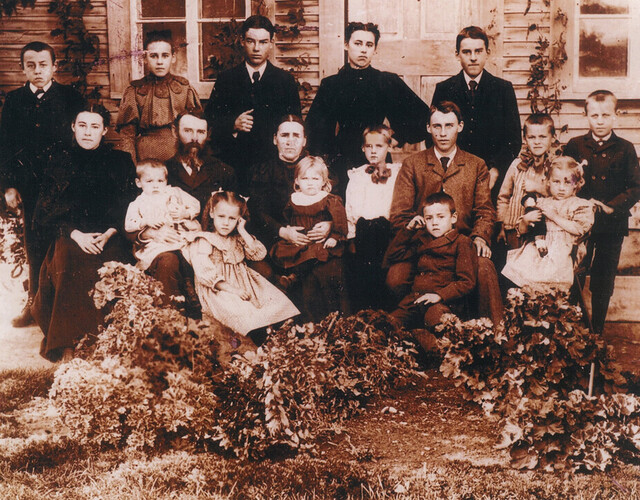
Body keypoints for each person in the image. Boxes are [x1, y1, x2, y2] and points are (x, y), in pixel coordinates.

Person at [31, 104, 137, 361]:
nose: (87, 132)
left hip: (110, 234)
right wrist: (75, 234)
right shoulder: (59, 161)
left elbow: (129, 203)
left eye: (94, 126)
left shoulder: (120, 161)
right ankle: (68, 345)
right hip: (70, 234)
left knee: (111, 264)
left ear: (104, 131)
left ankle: (105, 342)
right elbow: (45, 211)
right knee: (69, 262)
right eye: (82, 125)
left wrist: (111, 232)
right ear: (73, 128)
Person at [388, 101, 502, 325]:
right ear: (428, 128)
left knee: (485, 268)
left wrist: (480, 237)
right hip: (421, 246)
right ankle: (415, 333)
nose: (442, 133)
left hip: (462, 245)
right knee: (396, 279)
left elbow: (485, 209)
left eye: (448, 126)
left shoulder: (475, 165)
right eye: (436, 126)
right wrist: (414, 223)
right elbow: (399, 214)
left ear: (459, 126)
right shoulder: (412, 164)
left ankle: (494, 333)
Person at [0, 41, 85, 327]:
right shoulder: (14, 100)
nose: (38, 71)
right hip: (30, 186)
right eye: (31, 65)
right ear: (22, 68)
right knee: (33, 243)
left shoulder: (71, 98)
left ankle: (60, 306)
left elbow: (79, 142)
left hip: (64, 185)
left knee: (61, 242)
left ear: (54, 66)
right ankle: (34, 305)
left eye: (43, 65)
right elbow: (6, 145)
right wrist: (9, 186)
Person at [305, 22, 429, 193]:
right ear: (346, 45)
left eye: (369, 45)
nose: (363, 50)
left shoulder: (385, 82)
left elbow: (424, 117)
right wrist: (325, 164)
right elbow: (316, 130)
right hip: (343, 159)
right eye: (358, 43)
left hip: (376, 156)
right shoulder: (332, 84)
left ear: (375, 49)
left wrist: (396, 138)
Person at [563, 90, 640, 333]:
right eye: (594, 115)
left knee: (603, 278)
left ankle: (596, 331)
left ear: (615, 116)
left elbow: (636, 186)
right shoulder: (575, 146)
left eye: (605, 115)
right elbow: (563, 180)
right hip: (579, 224)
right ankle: (570, 327)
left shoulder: (626, 149)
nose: (599, 120)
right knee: (573, 273)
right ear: (586, 116)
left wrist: (611, 206)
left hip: (611, 225)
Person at [205, 15, 301, 192]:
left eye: (263, 42)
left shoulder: (284, 81)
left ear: (271, 43)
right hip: (235, 163)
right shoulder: (227, 79)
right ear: (242, 41)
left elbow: (295, 122)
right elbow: (210, 119)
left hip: (272, 166)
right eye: (251, 41)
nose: (257, 48)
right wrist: (232, 124)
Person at [184, 190, 299, 337]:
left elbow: (258, 254)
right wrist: (233, 290)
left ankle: (276, 334)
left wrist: (242, 231)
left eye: (232, 219)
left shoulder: (238, 238)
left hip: (244, 283)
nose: (226, 223)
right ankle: (259, 337)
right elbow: (204, 272)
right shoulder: (204, 240)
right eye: (221, 216)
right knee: (240, 308)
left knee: (274, 301)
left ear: (239, 219)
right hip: (219, 289)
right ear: (212, 213)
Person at [431, 26, 521, 199]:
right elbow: (435, 135)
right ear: (457, 54)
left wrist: (495, 170)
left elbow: (514, 140)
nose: (473, 58)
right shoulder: (444, 89)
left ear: (487, 53)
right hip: (452, 175)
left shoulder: (503, 89)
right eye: (466, 52)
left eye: (478, 51)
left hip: (492, 177)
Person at [502, 157, 595, 290]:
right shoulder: (543, 202)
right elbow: (522, 231)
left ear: (576, 184)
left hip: (565, 249)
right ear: (548, 182)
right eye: (556, 182)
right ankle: (531, 300)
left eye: (567, 182)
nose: (561, 188)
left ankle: (546, 299)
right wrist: (526, 220)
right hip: (539, 247)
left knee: (548, 268)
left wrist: (554, 216)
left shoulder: (579, 205)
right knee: (525, 264)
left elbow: (579, 229)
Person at [386, 192, 476, 330]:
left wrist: (440, 295)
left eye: (440, 217)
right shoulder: (422, 240)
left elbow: (466, 282)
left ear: (453, 218)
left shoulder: (462, 242)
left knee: (435, 321)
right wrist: (408, 230)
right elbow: (394, 255)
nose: (434, 222)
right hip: (416, 300)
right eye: (429, 218)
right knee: (388, 324)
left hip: (443, 303)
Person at [116, 30, 201, 164]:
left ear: (173, 57)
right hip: (145, 154)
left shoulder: (184, 89)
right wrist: (131, 167)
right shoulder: (135, 91)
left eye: (165, 55)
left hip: (178, 155)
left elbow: (195, 131)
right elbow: (127, 135)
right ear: (144, 58)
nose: (160, 61)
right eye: (154, 56)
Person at [270, 156, 348, 296]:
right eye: (305, 179)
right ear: (297, 181)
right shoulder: (294, 198)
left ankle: (294, 277)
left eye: (315, 179)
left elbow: (340, 219)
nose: (310, 183)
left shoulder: (329, 199)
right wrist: (289, 229)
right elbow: (287, 216)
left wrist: (335, 237)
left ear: (323, 181)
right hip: (300, 241)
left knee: (316, 254)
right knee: (283, 251)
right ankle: (292, 277)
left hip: (319, 241)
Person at [344, 125, 400, 310]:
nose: (373, 151)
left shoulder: (397, 173)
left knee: (383, 275)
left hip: (386, 233)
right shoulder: (357, 175)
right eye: (369, 146)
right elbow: (350, 207)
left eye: (379, 146)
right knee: (361, 275)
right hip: (362, 234)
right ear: (362, 148)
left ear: (389, 147)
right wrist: (351, 237)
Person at [125, 159, 201, 272]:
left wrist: (185, 213)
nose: (155, 186)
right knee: (160, 254)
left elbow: (195, 204)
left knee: (196, 254)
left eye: (160, 181)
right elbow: (129, 225)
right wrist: (145, 221)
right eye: (149, 181)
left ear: (166, 181)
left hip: (184, 234)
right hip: (160, 241)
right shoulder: (138, 203)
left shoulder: (175, 192)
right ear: (139, 183)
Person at [497, 113, 555, 250]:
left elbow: (564, 194)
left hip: (545, 232)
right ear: (525, 139)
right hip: (514, 231)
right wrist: (501, 225)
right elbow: (503, 197)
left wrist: (538, 187)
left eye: (542, 137)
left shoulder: (556, 166)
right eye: (532, 137)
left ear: (552, 138)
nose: (537, 142)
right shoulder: (517, 165)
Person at [166, 110, 237, 211]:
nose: (194, 138)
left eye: (200, 132)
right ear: (175, 131)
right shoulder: (163, 172)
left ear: (208, 134)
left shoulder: (225, 172)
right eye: (188, 131)